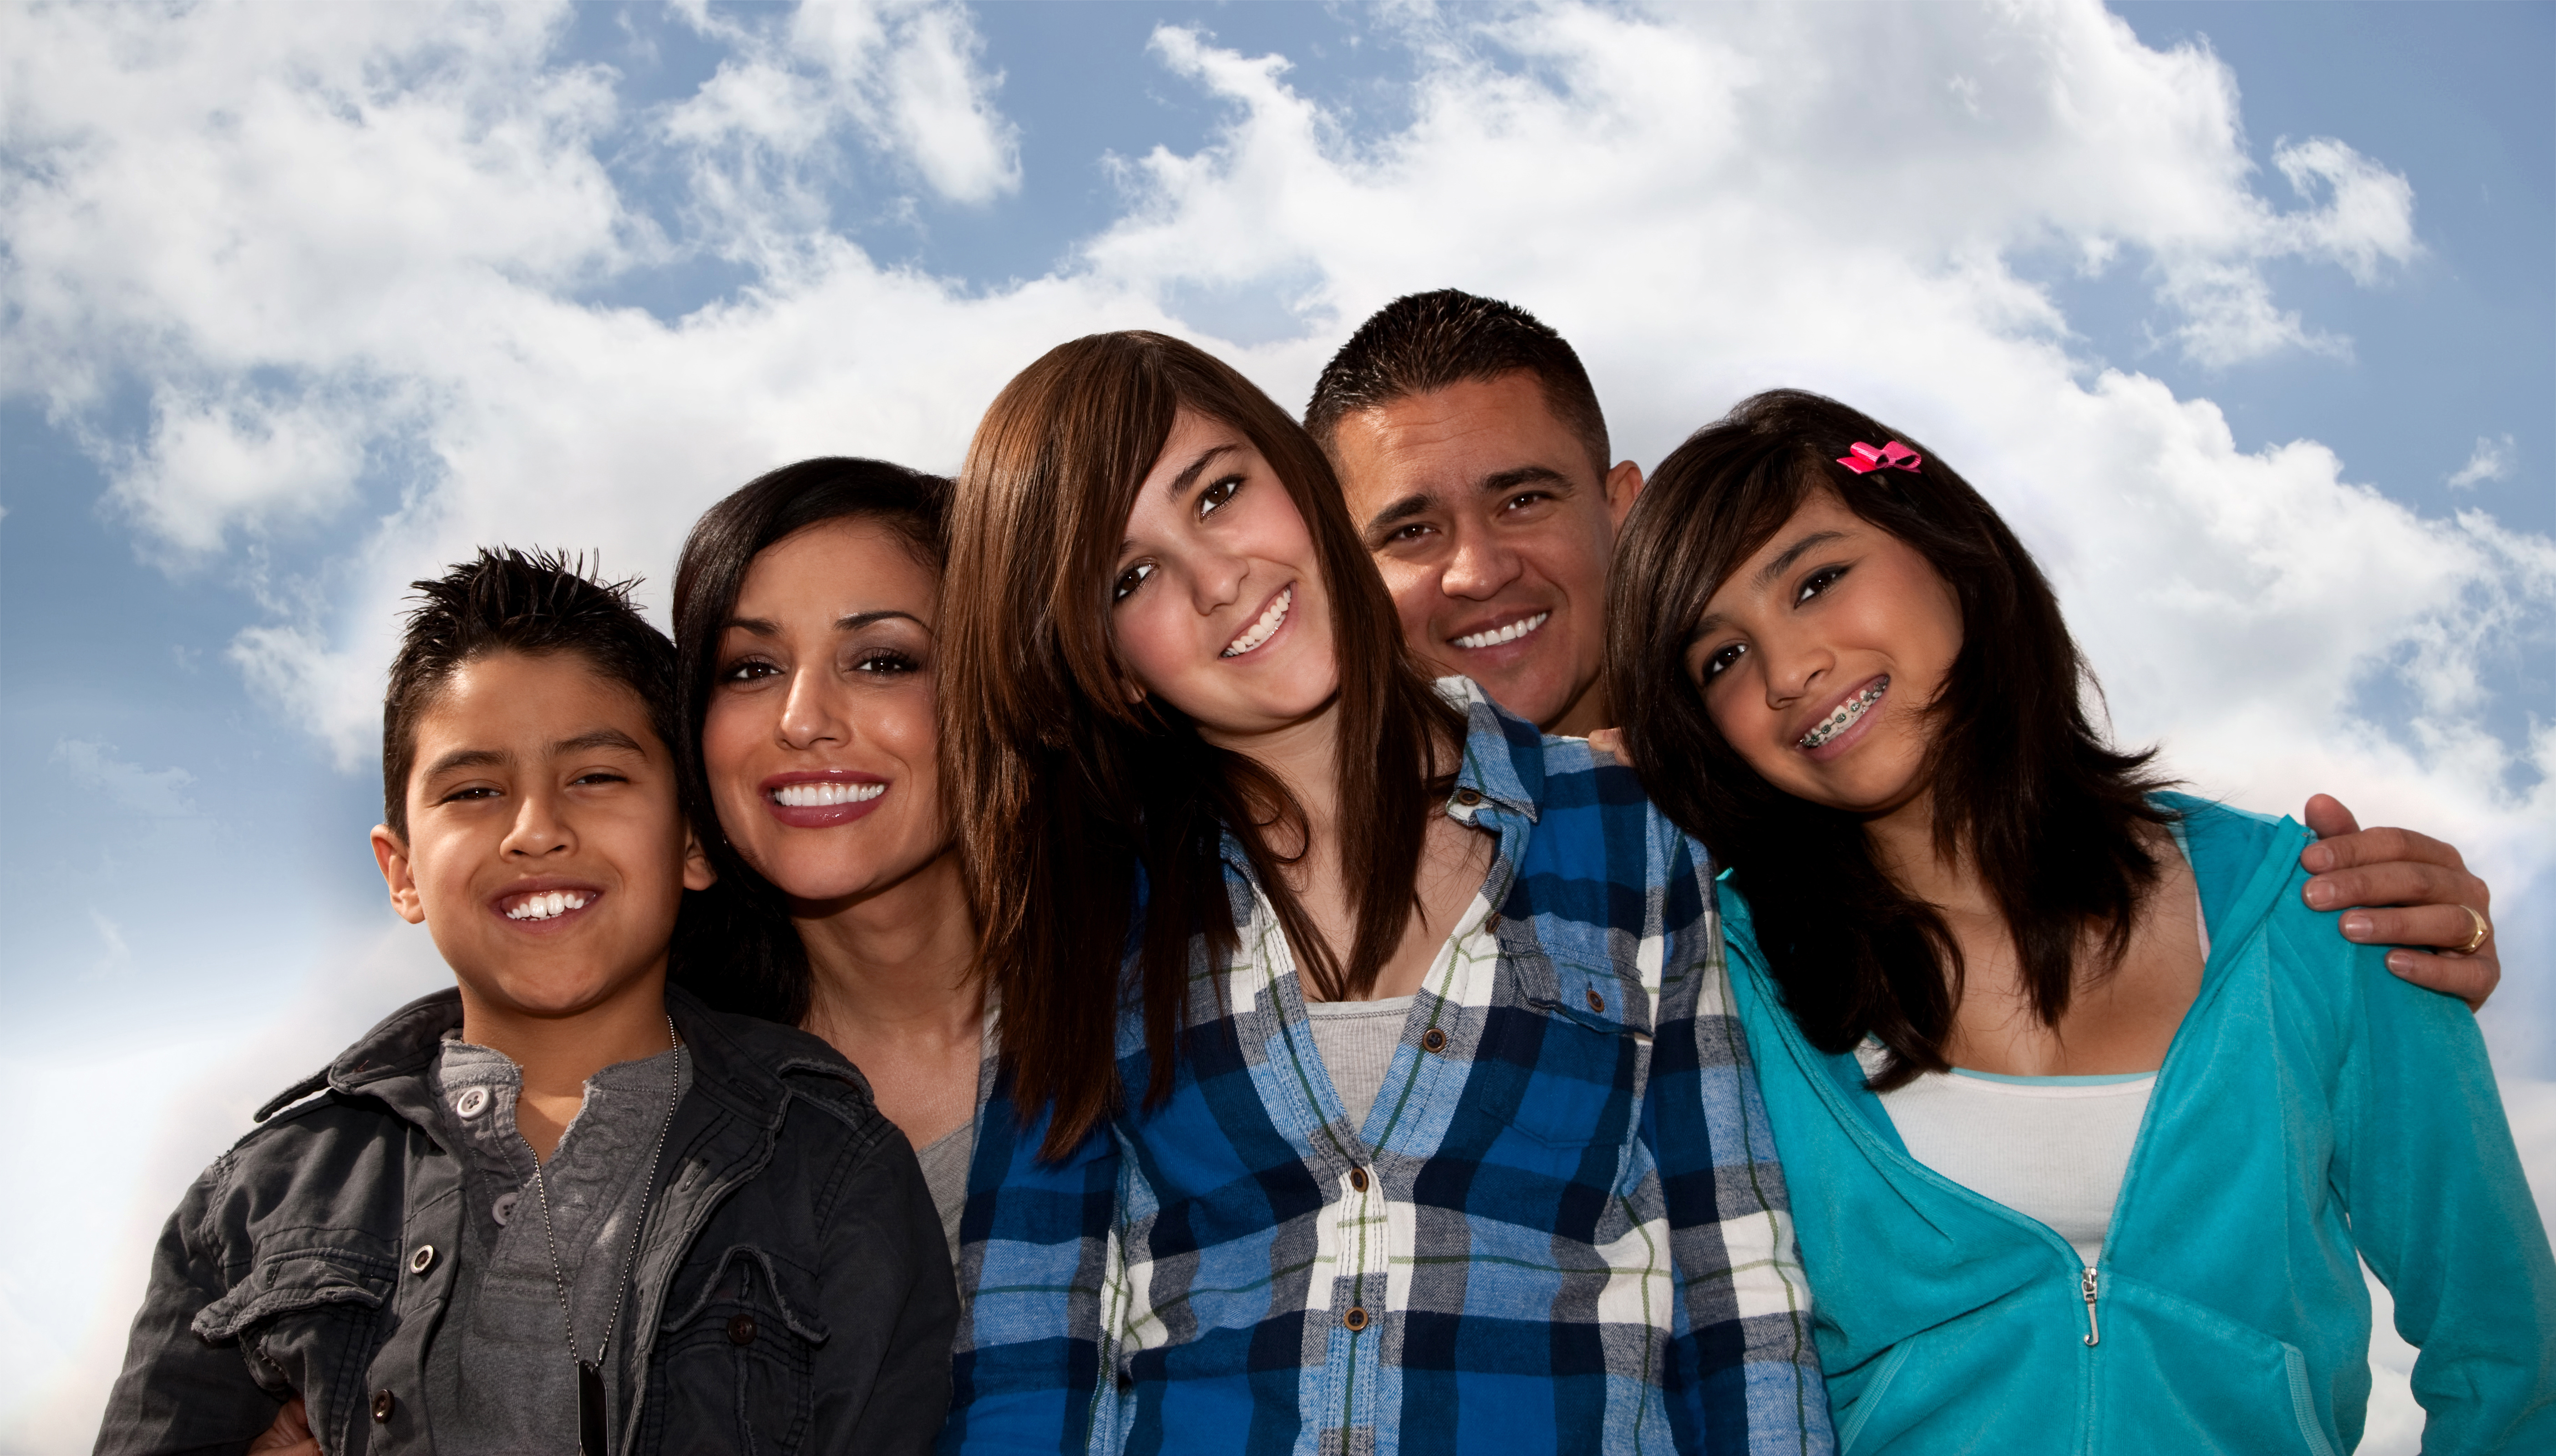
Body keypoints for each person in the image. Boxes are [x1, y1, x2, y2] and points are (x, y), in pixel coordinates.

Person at [1603, 390, 2555, 1452]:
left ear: (1949, 546)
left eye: (1818, 581)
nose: (1788, 672)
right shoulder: (1717, 985)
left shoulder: (2310, 907)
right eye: (1720, 659)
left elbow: (2510, 1359)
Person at [937, 331, 1829, 1454]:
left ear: (1301, 484)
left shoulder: (1628, 827)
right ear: (1108, 658)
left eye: (1218, 494)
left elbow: (1734, 1287)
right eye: (1132, 576)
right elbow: (1029, 1347)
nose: (1217, 581)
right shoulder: (1085, 916)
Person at [1304, 288, 2507, 1007]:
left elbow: (2080, 884)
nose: (1476, 569)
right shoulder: (1289, 861)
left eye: (1524, 500)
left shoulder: (1814, 759)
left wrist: (2362, 948)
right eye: (1410, 530)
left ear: (1624, 507)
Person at [96, 549, 957, 1456]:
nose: (536, 829)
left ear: (695, 841)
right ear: (402, 872)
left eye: (596, 777)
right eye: (474, 791)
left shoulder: (829, 1168)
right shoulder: (256, 1202)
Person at [667, 457, 989, 1261]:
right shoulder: (664, 1102)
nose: (802, 719)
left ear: (999, 689)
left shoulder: (1178, 1002)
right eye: (751, 670)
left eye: (883, 661)